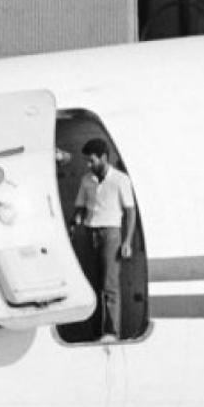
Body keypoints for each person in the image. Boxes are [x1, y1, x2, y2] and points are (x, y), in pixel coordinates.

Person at [70, 138, 136, 343]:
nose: (89, 165)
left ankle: (111, 332)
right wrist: (76, 219)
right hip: (90, 233)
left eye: (92, 160)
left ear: (103, 158)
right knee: (92, 284)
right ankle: (95, 332)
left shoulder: (120, 180)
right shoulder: (86, 180)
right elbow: (80, 206)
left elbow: (130, 211)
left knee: (110, 285)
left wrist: (127, 241)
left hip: (111, 233)